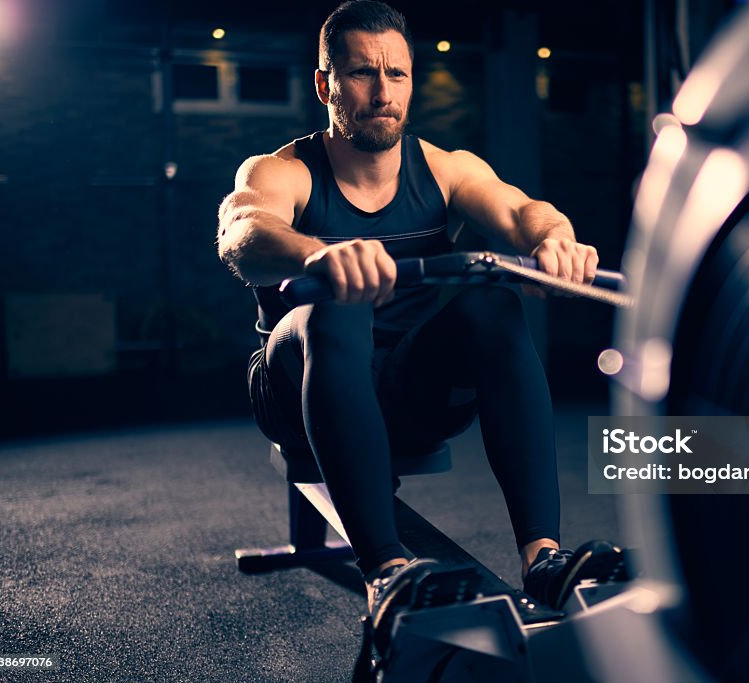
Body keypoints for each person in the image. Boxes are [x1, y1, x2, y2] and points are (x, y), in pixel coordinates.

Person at [216, 0, 623, 635]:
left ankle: (545, 557)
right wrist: (321, 252)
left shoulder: (445, 169)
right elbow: (242, 230)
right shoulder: (283, 171)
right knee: (335, 310)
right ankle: (386, 571)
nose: (383, 92)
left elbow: (525, 214)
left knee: (493, 301)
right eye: (361, 73)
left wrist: (557, 242)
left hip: (407, 391)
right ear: (326, 84)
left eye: (397, 74)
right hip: (293, 391)